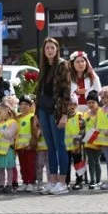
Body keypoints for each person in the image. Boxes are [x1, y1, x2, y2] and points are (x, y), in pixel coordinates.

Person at [34, 37, 71, 195]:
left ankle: (62, 183)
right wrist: (36, 113)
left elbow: (66, 91)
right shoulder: (43, 66)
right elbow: (39, 90)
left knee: (59, 145)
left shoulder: (62, 65)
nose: (49, 50)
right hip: (43, 108)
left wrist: (64, 114)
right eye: (47, 48)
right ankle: (52, 180)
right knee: (50, 146)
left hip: (56, 109)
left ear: (57, 50)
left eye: (52, 48)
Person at [0, 99, 19, 192]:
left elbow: (9, 135)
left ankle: (9, 184)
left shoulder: (13, 122)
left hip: (8, 149)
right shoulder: (0, 123)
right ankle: (1, 184)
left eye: (0, 111)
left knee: (9, 167)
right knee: (0, 168)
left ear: (7, 110)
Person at [15, 95, 38, 192]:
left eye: (26, 104)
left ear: (30, 106)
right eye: (21, 104)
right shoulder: (18, 117)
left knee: (30, 165)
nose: (23, 106)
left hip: (29, 146)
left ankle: (31, 182)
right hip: (20, 147)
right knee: (22, 165)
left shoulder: (32, 117)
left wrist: (32, 144)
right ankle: (24, 181)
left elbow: (35, 132)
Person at [62, 101, 86, 190]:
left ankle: (79, 181)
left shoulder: (79, 115)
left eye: (74, 105)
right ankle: (66, 181)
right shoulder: (64, 117)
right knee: (66, 164)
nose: (72, 106)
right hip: (66, 144)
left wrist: (79, 140)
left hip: (76, 144)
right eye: (70, 104)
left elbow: (82, 129)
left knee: (78, 163)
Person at [82, 90, 103, 189]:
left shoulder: (101, 112)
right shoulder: (85, 114)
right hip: (88, 141)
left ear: (97, 102)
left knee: (97, 161)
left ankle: (99, 180)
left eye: (93, 102)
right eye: (89, 102)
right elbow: (83, 126)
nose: (90, 104)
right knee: (90, 161)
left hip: (97, 141)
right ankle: (92, 180)